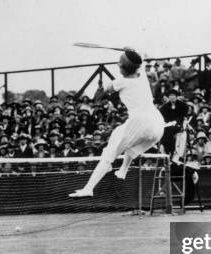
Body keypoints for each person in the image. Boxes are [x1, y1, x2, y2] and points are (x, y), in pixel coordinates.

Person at [69, 49, 165, 197]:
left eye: (119, 64)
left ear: (122, 68)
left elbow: (106, 90)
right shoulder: (143, 76)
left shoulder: (120, 82)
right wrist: (130, 50)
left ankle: (89, 188)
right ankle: (121, 172)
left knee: (109, 154)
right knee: (121, 139)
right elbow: (142, 55)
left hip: (140, 122)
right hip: (158, 124)